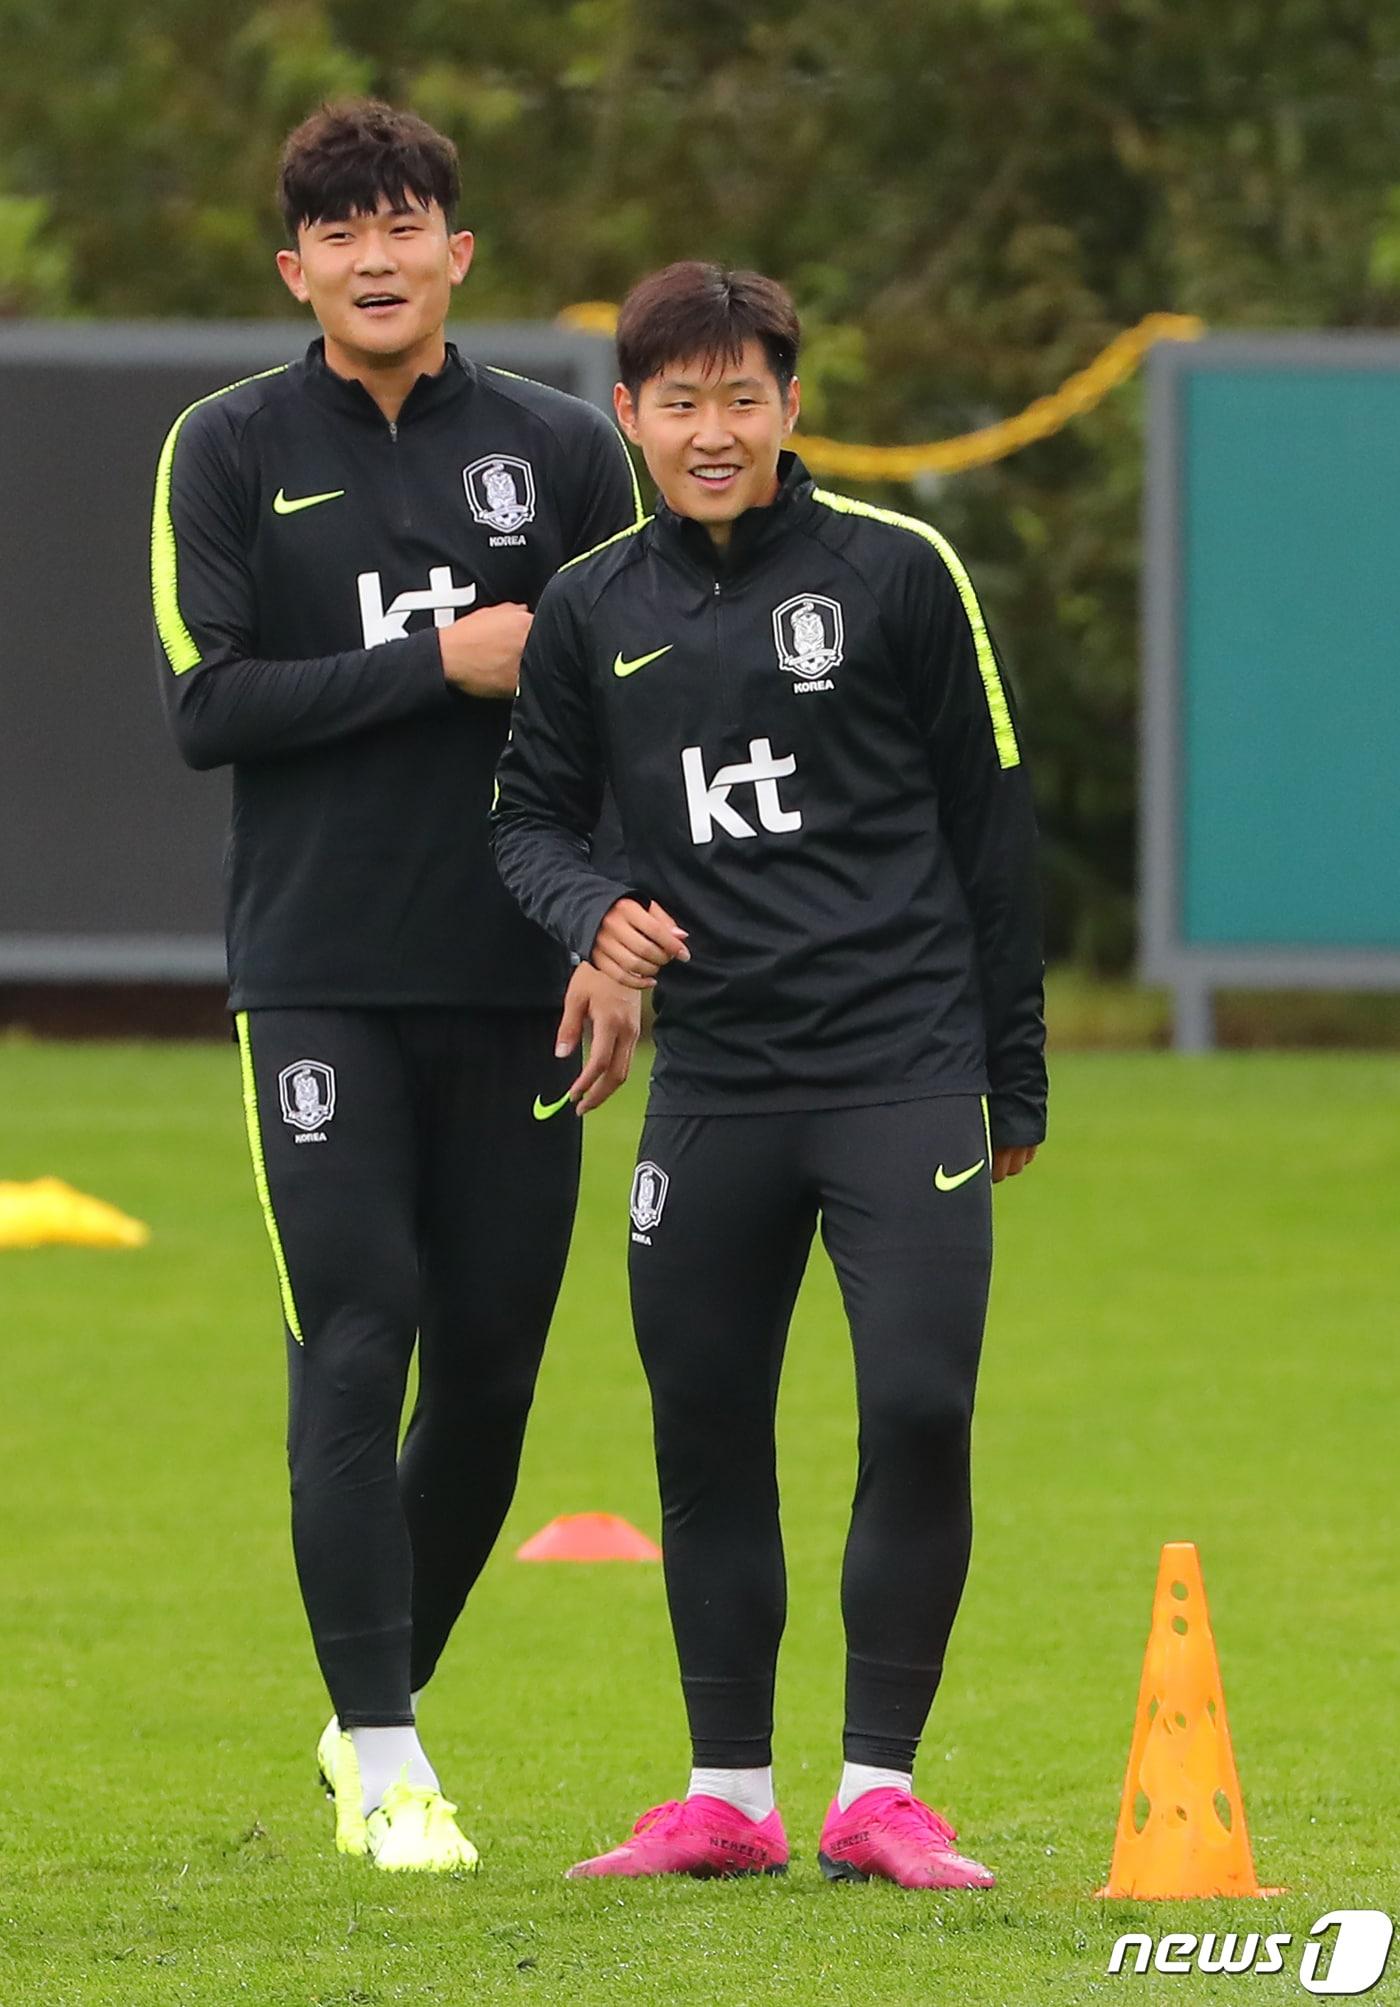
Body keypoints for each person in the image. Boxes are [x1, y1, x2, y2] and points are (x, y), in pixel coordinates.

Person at [491, 261, 1046, 1889]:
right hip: (717, 1083)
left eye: (744, 397)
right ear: (630, 417)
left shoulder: (898, 571)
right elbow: (527, 822)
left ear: (792, 406)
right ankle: (728, 1794)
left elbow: (992, 827)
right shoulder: (590, 607)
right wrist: (595, 913)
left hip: (904, 1066)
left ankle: (881, 1793)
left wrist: (1012, 1078)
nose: (714, 431)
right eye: (681, 403)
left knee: (920, 1403)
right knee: (708, 1422)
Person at [151, 99, 642, 1872]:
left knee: (492, 1385)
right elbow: (208, 706)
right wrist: (439, 660)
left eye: (405, 223)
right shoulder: (225, 447)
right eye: (342, 233)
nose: (377, 257)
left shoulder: (563, 450)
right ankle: (387, 1756)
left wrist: (610, 933)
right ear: (296, 269)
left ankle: (373, 1704)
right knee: (357, 1339)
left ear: (459, 253)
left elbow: (629, 710)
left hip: (520, 980)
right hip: (320, 979)